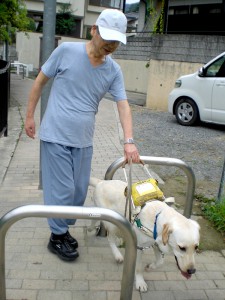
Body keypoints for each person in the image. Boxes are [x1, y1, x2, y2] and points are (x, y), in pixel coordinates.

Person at [25, 8, 140, 262]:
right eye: (107, 38)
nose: (111, 45)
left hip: (84, 140)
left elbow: (123, 106)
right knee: (62, 189)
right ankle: (57, 236)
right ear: (93, 30)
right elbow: (40, 81)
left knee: (77, 193)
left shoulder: (113, 71)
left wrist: (129, 141)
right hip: (55, 134)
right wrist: (30, 116)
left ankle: (62, 228)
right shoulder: (66, 52)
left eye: (116, 41)